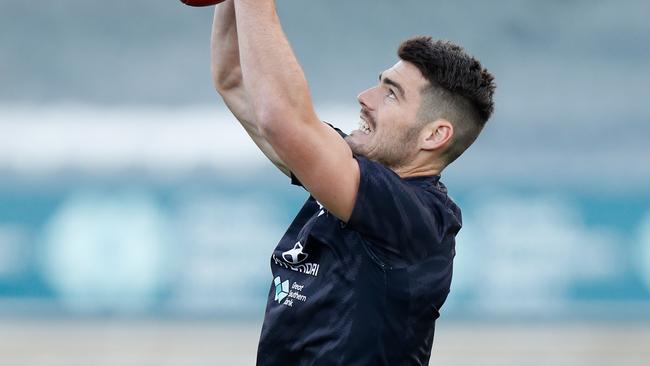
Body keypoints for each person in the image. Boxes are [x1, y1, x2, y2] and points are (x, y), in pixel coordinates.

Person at [210, 1, 495, 364]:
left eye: (391, 93)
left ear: (434, 135)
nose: (365, 98)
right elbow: (232, 78)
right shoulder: (352, 170)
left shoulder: (417, 216)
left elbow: (281, 119)